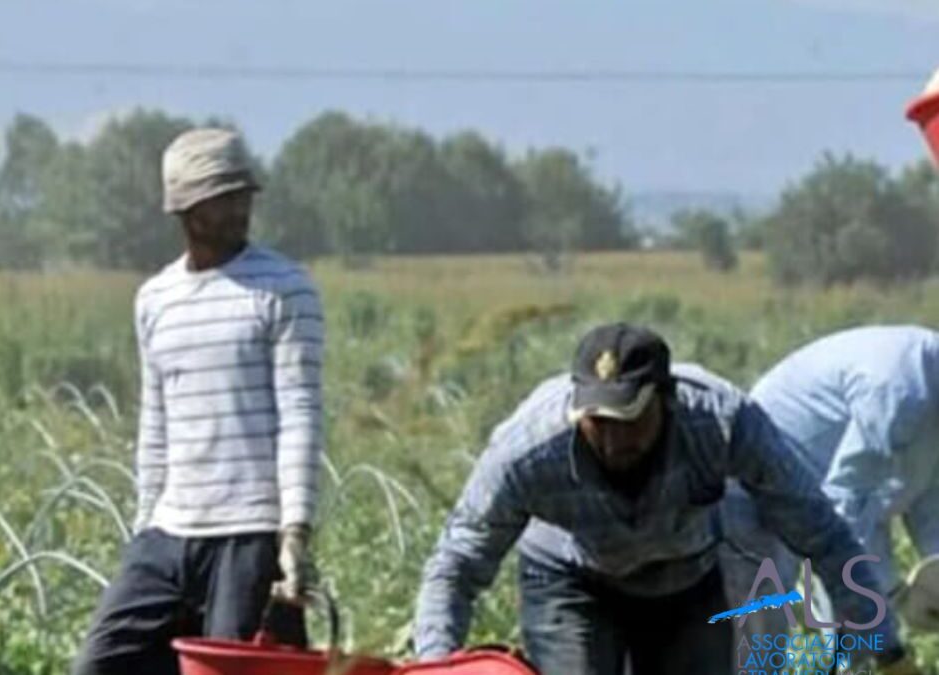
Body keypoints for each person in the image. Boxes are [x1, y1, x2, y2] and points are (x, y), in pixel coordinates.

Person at [413, 322, 914, 675]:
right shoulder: (527, 452)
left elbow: (823, 534)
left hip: (686, 579)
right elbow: (456, 565)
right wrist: (434, 668)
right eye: (596, 423)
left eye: (628, 420)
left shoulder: (722, 422)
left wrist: (887, 649)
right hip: (571, 582)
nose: (611, 441)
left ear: (667, 401)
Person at [72, 128, 325, 675]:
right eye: (224, 198)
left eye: (244, 195)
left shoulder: (283, 288)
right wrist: (144, 526)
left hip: (248, 532)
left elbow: (300, 412)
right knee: (100, 664)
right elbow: (155, 421)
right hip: (170, 531)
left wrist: (295, 532)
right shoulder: (156, 299)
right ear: (187, 210)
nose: (240, 208)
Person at [722, 325, 939, 659]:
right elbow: (845, 512)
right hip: (763, 486)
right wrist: (885, 605)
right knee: (759, 639)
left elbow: (927, 498)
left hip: (845, 494)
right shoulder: (902, 389)